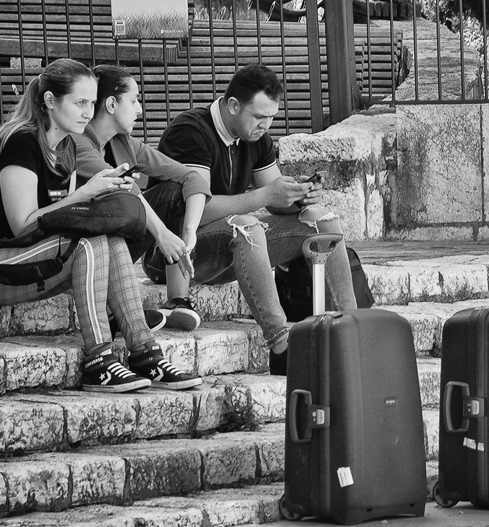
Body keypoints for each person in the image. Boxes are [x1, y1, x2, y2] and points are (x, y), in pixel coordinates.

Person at [0, 58, 201, 392]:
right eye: (80, 103)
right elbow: (23, 225)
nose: (87, 113)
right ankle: (99, 360)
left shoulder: (65, 145)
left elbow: (56, 218)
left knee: (108, 237)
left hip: (19, 255)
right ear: (50, 101)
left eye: (91, 104)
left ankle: (144, 353)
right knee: (89, 244)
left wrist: (101, 192)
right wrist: (84, 192)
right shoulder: (21, 142)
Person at [140, 64, 357, 375]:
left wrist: (296, 194)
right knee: (246, 223)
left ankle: (351, 329)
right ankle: (282, 345)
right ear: (232, 106)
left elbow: (274, 195)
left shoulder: (256, 135)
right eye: (258, 117)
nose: (265, 126)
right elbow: (194, 209)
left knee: (322, 221)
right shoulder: (190, 132)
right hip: (174, 254)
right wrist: (265, 196)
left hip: (231, 245)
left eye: (271, 118)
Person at [73, 65, 209, 333]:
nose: (140, 110)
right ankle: (121, 315)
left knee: (172, 192)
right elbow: (125, 189)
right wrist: (162, 235)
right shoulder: (76, 141)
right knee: (128, 200)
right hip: (83, 252)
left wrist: (188, 234)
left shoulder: (123, 143)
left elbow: (192, 178)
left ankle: (176, 302)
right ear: (111, 104)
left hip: (116, 243)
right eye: (134, 100)